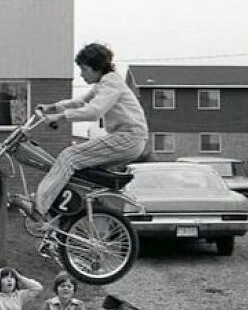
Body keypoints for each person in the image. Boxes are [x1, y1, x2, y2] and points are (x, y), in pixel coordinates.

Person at [11, 43, 149, 219]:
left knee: (69, 156)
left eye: (84, 69)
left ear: (96, 68)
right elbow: (80, 102)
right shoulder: (104, 83)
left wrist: (60, 117)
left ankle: (39, 207)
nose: (81, 74)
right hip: (128, 140)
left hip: (128, 138)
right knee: (81, 175)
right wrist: (52, 107)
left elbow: (93, 111)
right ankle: (69, 218)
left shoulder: (111, 84)